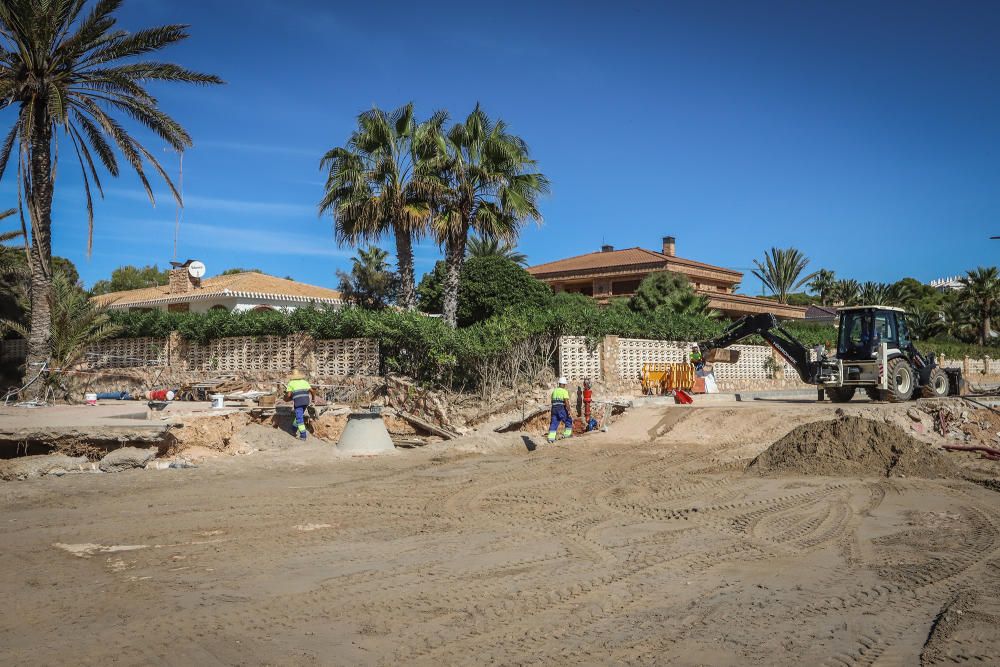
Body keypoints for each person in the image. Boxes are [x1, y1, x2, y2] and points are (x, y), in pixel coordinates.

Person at [284, 369, 315, 440]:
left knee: (299, 419)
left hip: (298, 402)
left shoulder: (291, 383)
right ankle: (294, 428)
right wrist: (313, 399)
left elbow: (288, 395)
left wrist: (286, 399)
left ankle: (303, 435)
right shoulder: (305, 382)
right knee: (299, 415)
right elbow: (312, 391)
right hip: (306, 401)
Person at [548, 376, 574, 443]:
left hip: (553, 409)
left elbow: (552, 401)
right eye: (564, 384)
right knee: (568, 420)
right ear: (563, 384)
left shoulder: (554, 391)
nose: (565, 386)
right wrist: (569, 410)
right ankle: (567, 435)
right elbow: (566, 402)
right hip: (561, 408)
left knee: (554, 423)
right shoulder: (564, 391)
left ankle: (551, 438)